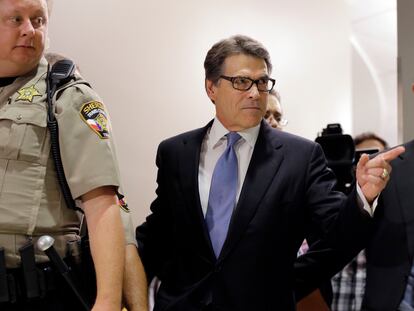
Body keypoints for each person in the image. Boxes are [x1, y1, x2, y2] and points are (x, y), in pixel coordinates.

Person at [135, 34, 404, 310]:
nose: (254, 92)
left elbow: (335, 236)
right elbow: (157, 237)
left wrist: (362, 197)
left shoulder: (300, 157)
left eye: (262, 82)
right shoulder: (176, 153)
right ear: (211, 87)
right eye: (241, 81)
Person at [0, 0, 147, 310]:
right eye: (16, 19)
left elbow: (103, 205)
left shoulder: (67, 94)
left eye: (38, 20)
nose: (30, 30)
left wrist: (107, 301)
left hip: (35, 289)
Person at [331, 132, 388, 311]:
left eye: (379, 157)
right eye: (364, 159)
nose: (373, 167)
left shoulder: (401, 216)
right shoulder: (336, 212)